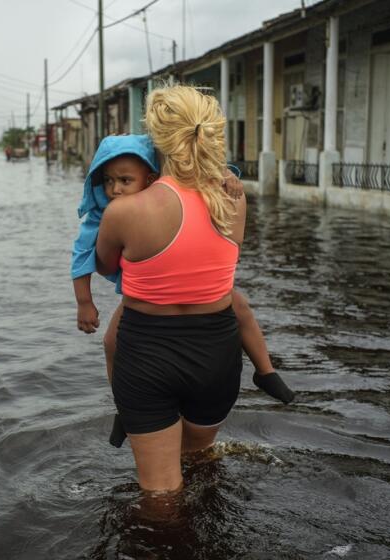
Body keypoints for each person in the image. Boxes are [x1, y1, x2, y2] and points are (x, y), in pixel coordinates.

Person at [95, 83, 292, 493]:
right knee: (200, 463)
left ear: (157, 140)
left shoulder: (124, 210)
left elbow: (104, 265)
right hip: (217, 354)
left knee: (161, 493)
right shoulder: (232, 199)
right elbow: (221, 262)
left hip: (146, 353)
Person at [73, 135, 294, 446]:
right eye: (109, 181)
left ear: (150, 178)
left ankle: (266, 371)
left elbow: (203, 171)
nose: (115, 189)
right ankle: (124, 408)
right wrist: (85, 301)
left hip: (188, 293)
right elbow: (83, 257)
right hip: (148, 294)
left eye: (125, 180)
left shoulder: (165, 199)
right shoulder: (107, 214)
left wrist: (227, 176)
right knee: (111, 342)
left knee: (240, 307)